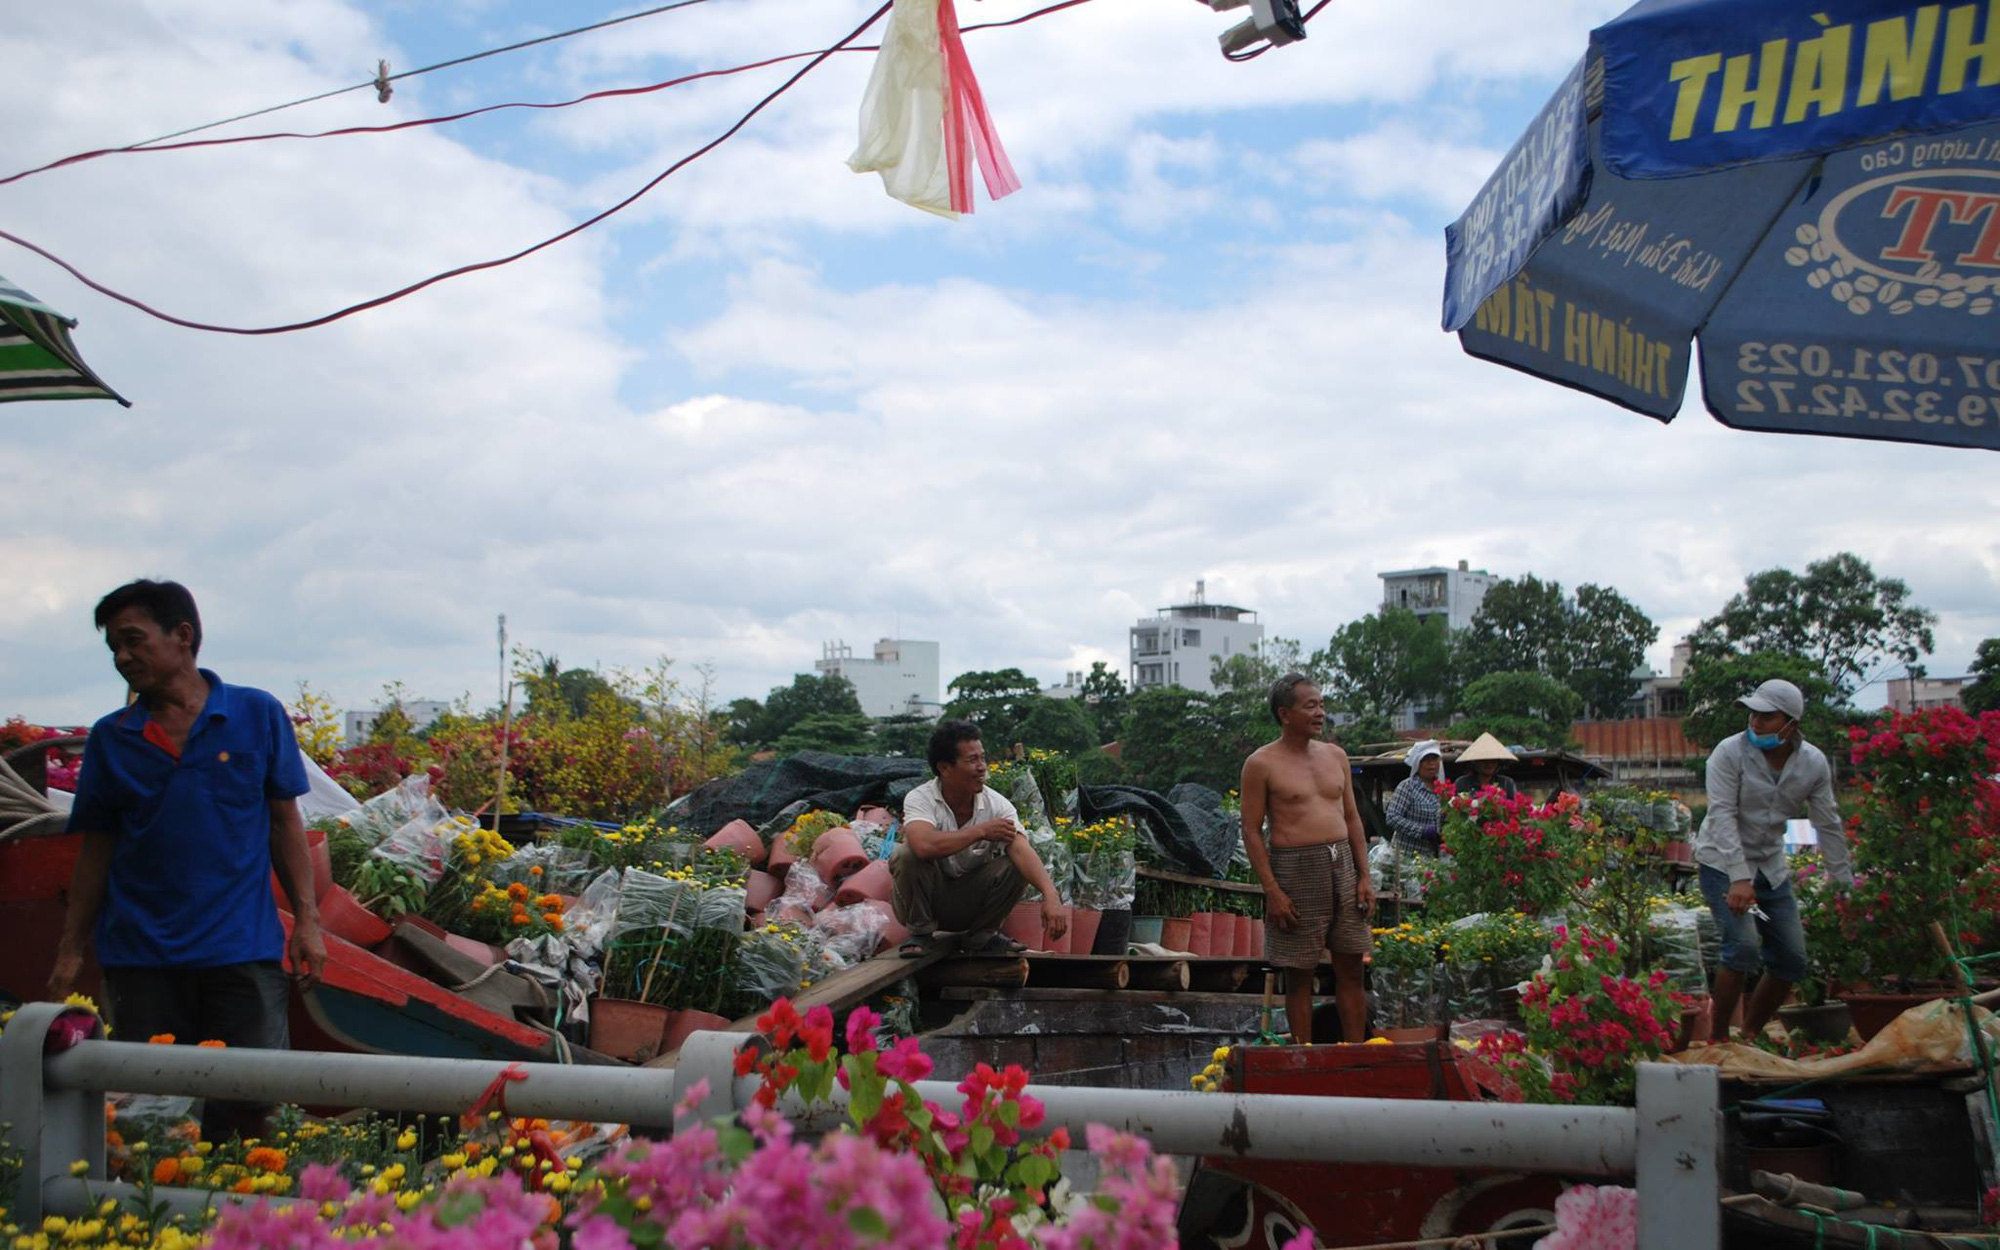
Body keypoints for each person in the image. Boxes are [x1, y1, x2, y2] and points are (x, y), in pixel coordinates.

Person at [48, 580, 325, 1143]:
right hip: (142, 960)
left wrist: (308, 921)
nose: (123, 658)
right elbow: (96, 849)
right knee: (153, 1118)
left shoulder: (256, 713)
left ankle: (249, 1227)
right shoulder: (112, 738)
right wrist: (70, 951)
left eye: (133, 640)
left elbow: (283, 822)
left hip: (241, 952)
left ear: (183, 636)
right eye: (114, 649)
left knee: (253, 1110)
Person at [1694, 678, 1852, 1042]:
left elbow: (1827, 822)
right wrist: (1738, 877)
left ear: (1791, 725)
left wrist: (1845, 889)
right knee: (1743, 946)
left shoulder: (1812, 764)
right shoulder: (1728, 753)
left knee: (1792, 959)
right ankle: (1718, 1039)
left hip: (1770, 867)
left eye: (1766, 717)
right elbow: (1721, 815)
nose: (1755, 722)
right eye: (1753, 714)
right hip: (1722, 863)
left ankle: (1749, 1034)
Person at [1240, 674, 1374, 1045]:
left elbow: (1352, 818)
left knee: (1351, 966)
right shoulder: (1261, 763)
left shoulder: (1336, 756)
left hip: (1342, 864)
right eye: (1310, 706)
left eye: (1322, 704)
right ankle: (1304, 1055)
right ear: (1285, 713)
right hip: (1295, 869)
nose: (1320, 713)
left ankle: (1355, 1053)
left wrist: (1365, 876)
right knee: (1299, 973)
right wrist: (1273, 891)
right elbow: (1250, 830)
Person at [891, 719, 1068, 957]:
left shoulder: (997, 805)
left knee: (1017, 864)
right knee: (906, 853)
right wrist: (980, 831)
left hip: (969, 903)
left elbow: (1021, 849)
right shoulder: (920, 798)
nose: (982, 766)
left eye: (982, 758)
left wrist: (1051, 895)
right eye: (972, 760)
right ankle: (920, 934)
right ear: (945, 768)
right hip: (929, 900)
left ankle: (983, 936)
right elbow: (923, 846)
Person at [1385, 739, 1445, 857]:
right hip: (1407, 857)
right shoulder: (1407, 787)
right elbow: (1392, 817)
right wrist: (1421, 830)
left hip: (1432, 857)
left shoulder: (1443, 790)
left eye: (1434, 759)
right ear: (1418, 763)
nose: (1431, 764)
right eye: (1426, 760)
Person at [1451, 733, 1520, 799]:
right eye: (1484, 761)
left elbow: (1513, 805)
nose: (1489, 764)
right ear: (1475, 762)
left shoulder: (1506, 783)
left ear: (1498, 763)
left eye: (1493, 761)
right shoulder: (1463, 783)